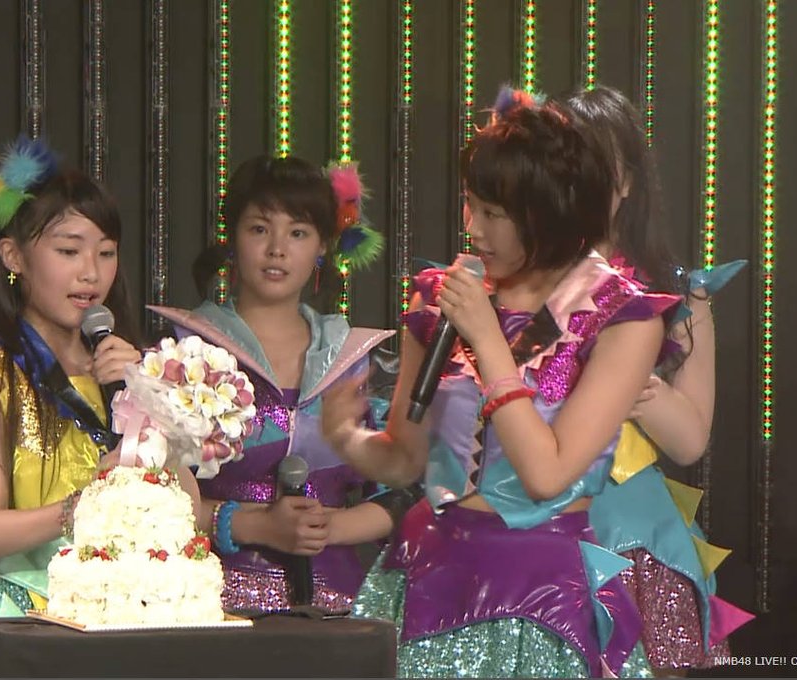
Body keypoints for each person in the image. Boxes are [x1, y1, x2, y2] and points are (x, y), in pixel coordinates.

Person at [321, 88, 677, 677]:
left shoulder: (623, 316)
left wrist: (487, 341)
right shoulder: (442, 297)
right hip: (428, 573)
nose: (473, 228)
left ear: (547, 213)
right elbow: (405, 461)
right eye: (470, 205)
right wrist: (346, 437)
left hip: (544, 591)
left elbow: (546, 475)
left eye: (493, 214)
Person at [0, 139, 189, 617]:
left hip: (128, 607)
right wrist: (89, 501)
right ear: (13, 256)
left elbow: (188, 505)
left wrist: (147, 399)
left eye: (106, 253)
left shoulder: (130, 368)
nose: (91, 273)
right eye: (69, 250)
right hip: (26, 613)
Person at [150, 154, 413, 614]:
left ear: (322, 246)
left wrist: (329, 528)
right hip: (208, 605)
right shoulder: (183, 354)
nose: (277, 249)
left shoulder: (354, 359)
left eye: (298, 233)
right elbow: (148, 494)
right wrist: (250, 525)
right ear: (233, 237)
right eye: (259, 229)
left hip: (340, 609)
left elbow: (399, 492)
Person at [561, 85, 753, 673]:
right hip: (534, 525)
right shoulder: (516, 290)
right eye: (566, 168)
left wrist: (632, 383)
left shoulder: (679, 296)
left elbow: (690, 441)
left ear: (627, 181)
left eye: (600, 168)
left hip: (636, 533)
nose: (582, 185)